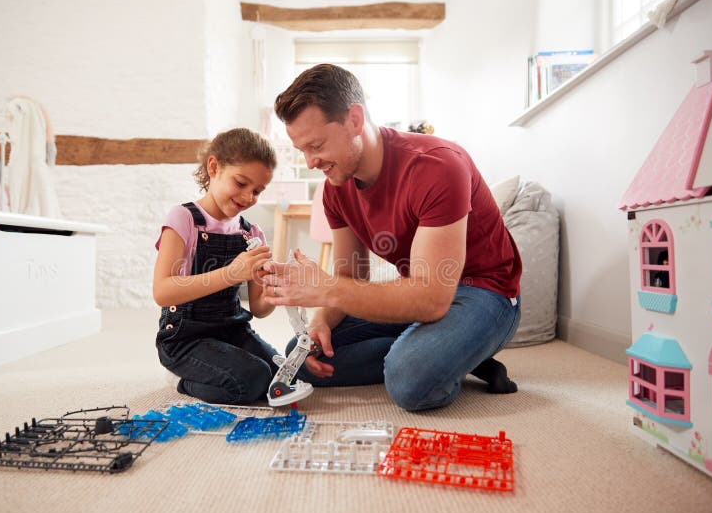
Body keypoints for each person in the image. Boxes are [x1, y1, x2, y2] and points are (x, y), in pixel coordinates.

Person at [263, 64, 523, 411]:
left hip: (485, 292)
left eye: (317, 145)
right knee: (303, 354)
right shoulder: (336, 189)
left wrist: (324, 287)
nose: (310, 162)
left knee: (409, 379)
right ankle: (448, 350)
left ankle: (439, 352)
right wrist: (321, 320)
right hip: (419, 292)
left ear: (355, 120)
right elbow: (351, 277)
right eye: (302, 151)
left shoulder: (437, 166)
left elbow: (431, 298)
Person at [152, 128, 280, 405]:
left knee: (281, 376)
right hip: (185, 338)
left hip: (233, 331)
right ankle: (183, 381)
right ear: (214, 167)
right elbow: (163, 291)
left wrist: (275, 289)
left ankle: (225, 364)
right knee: (252, 379)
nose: (248, 197)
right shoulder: (184, 218)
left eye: (257, 191)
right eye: (241, 183)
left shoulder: (252, 233)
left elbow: (259, 308)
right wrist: (232, 273)